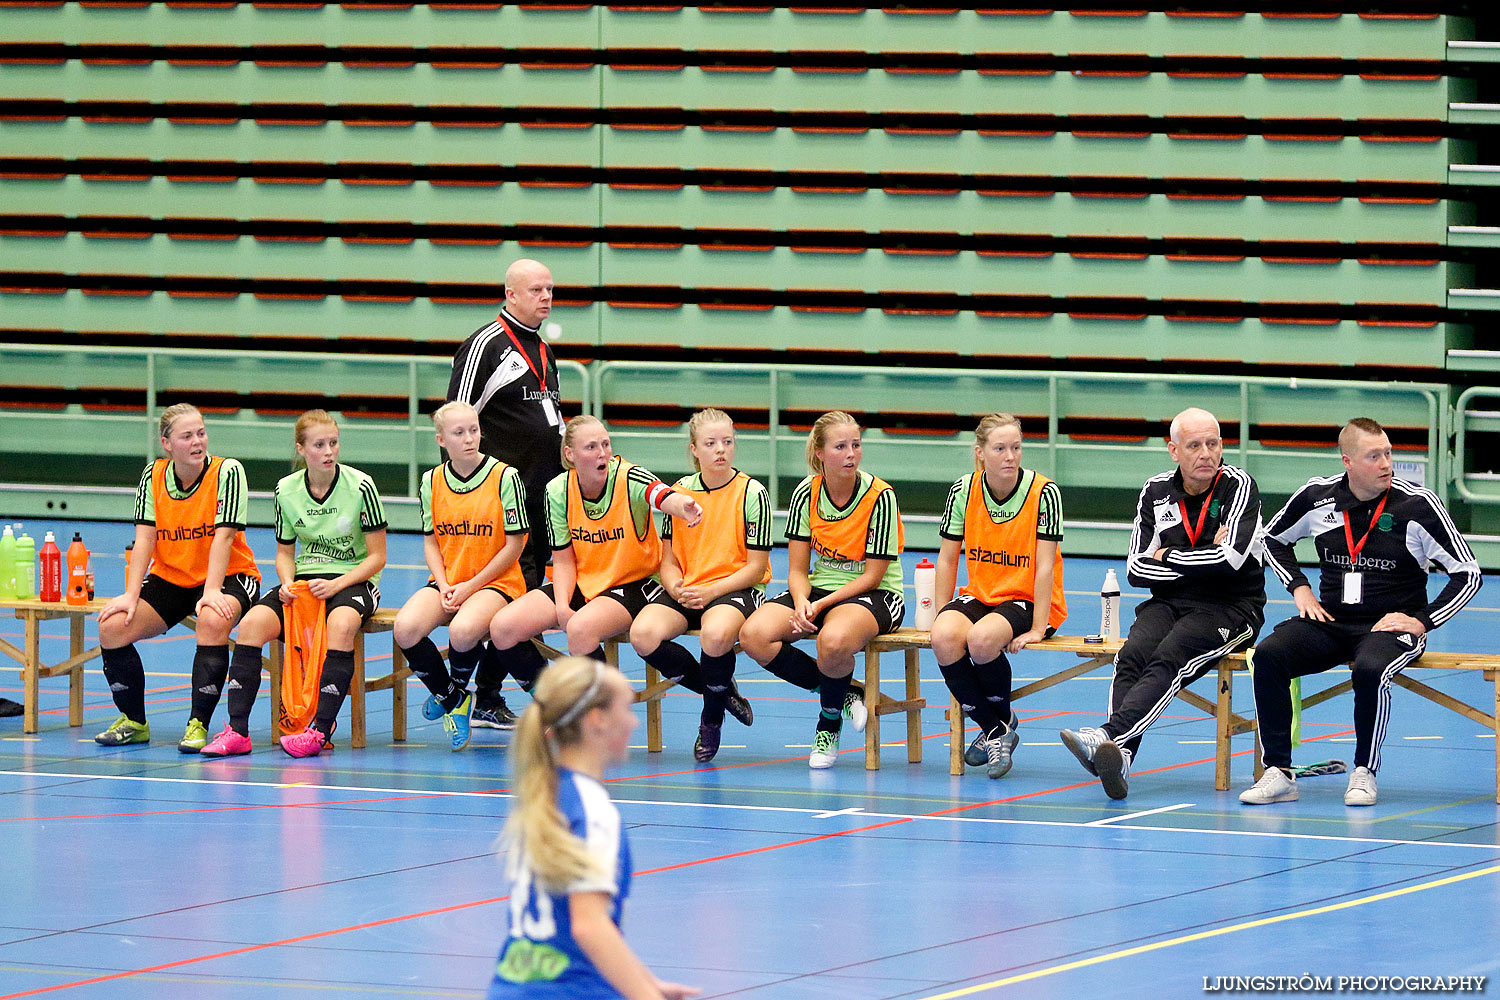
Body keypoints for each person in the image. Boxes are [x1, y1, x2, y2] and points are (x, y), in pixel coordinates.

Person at [1240, 418, 1481, 807]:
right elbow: (1272, 539)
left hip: (1390, 627)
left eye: (1388, 453)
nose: (1387, 463)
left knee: (1370, 668)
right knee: (1268, 655)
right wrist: (1298, 587)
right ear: (1348, 461)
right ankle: (1279, 772)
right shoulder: (1317, 498)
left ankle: (1364, 771)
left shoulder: (1417, 505)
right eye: (1374, 456)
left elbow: (1468, 574)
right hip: (1330, 620)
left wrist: (1422, 620)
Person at [1059, 407, 1265, 799]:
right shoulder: (1155, 491)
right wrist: (1205, 552)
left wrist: (1168, 555)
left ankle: (1107, 735)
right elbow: (1136, 568)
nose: (1206, 453)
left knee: (1170, 655)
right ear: (1174, 451)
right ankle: (1120, 757)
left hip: (1232, 606)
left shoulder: (1239, 486)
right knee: (1132, 655)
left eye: (1213, 443)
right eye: (1194, 445)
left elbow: (1231, 561)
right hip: (1170, 601)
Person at [487, 656, 699, 1000]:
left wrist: (646, 983)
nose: (633, 722)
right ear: (597, 719)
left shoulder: (545, 794)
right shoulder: (592, 808)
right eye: (626, 710)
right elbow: (588, 925)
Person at [201, 410, 387, 759]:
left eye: (333, 443)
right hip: (303, 581)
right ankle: (237, 730)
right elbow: (284, 553)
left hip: (353, 579)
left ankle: (319, 730)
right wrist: (287, 584)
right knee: (252, 625)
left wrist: (337, 585)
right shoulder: (285, 490)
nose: (329, 451)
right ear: (301, 449)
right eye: (319, 445)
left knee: (342, 624)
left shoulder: (361, 486)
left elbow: (377, 557)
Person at [739, 411, 905, 769]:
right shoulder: (806, 492)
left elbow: (873, 577)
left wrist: (817, 606)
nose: (851, 454)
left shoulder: (880, 496)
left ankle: (828, 723)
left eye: (856, 445)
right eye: (840, 446)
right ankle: (845, 692)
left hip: (876, 596)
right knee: (753, 634)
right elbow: (797, 570)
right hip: (818, 590)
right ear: (819, 453)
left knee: (831, 640)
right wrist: (800, 602)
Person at [487, 416, 703, 690]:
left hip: (635, 583)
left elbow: (661, 494)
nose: (602, 453)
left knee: (580, 629)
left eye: (605, 444)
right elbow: (563, 559)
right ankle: (555, 706)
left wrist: (683, 504)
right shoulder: (557, 490)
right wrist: (563, 606)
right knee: (503, 628)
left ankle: (604, 712)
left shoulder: (628, 476)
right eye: (591, 447)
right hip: (584, 580)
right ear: (570, 454)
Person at [94, 404, 260, 750]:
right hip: (173, 577)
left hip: (231, 573)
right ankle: (134, 722)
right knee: (112, 627)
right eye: (187, 436)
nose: (197, 441)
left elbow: (224, 537)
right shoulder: (152, 476)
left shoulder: (227, 471)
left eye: (201, 433)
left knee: (213, 618)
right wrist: (129, 594)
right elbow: (144, 538)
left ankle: (198, 723)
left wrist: (212, 589)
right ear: (167, 443)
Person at [449, 258, 566, 730]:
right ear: (511, 294)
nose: (546, 297)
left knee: (526, 598)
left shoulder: (543, 348)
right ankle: (490, 694)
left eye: (550, 289)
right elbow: (456, 420)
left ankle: (487, 699)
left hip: (542, 496)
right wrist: (461, 496)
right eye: (536, 289)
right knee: (510, 599)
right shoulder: (485, 346)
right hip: (500, 502)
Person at [628, 409, 772, 762]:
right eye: (710, 443)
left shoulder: (752, 493)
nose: (720, 450)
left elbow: (755, 568)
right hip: (689, 588)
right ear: (694, 449)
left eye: (727, 442)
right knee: (642, 634)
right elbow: (668, 559)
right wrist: (675, 585)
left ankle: (711, 718)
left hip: (735, 588)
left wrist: (711, 591)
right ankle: (721, 692)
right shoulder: (679, 493)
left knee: (716, 635)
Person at [932, 414, 1066, 779]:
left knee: (982, 640)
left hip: (1029, 598)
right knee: (942, 636)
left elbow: (1044, 566)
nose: (1010, 456)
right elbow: (947, 557)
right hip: (981, 594)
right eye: (1000, 448)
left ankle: (994, 728)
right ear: (980, 453)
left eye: (1016, 447)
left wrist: (1039, 627)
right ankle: (998, 728)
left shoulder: (1044, 492)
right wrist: (940, 612)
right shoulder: (964, 490)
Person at [392, 402, 530, 752]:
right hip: (449, 580)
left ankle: (451, 692)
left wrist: (469, 586)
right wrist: (443, 582)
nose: (469, 438)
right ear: (441, 439)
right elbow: (430, 542)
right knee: (405, 628)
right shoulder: (431, 481)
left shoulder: (505, 477)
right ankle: (456, 700)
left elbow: (514, 546)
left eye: (473, 429)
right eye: (459, 432)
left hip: (496, 583)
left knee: (463, 630)